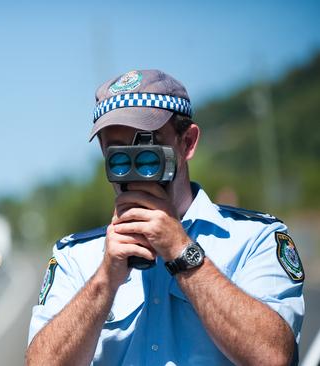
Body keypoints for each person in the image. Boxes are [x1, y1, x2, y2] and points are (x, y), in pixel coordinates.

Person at [25, 70, 305, 365]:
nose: (134, 163)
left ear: (187, 143)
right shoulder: (76, 257)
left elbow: (275, 358)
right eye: (117, 151)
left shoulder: (254, 239)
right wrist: (104, 282)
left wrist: (183, 253)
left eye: (148, 145)